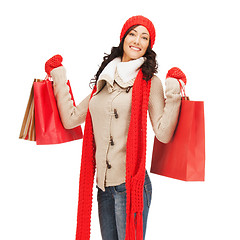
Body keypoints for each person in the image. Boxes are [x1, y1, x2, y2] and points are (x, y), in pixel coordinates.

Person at [45, 15, 186, 240]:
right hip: (103, 188)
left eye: (144, 37)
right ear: (123, 37)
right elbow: (71, 119)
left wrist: (173, 90)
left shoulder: (151, 82)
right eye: (132, 34)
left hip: (131, 187)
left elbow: (163, 133)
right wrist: (58, 76)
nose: (137, 41)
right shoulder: (105, 79)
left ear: (149, 46)